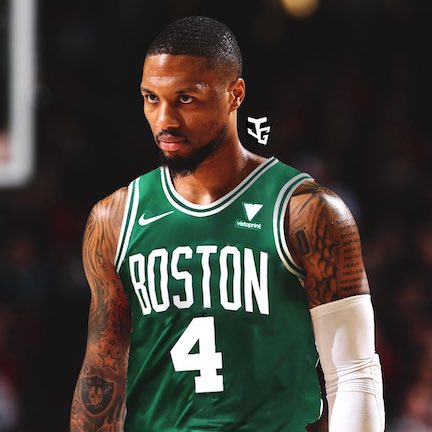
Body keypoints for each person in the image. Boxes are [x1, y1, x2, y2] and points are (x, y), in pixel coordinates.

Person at [70, 15, 385, 431]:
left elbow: (353, 373)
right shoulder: (114, 218)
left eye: (186, 99)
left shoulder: (306, 211)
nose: (164, 120)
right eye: (151, 98)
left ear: (235, 94)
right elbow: (102, 373)